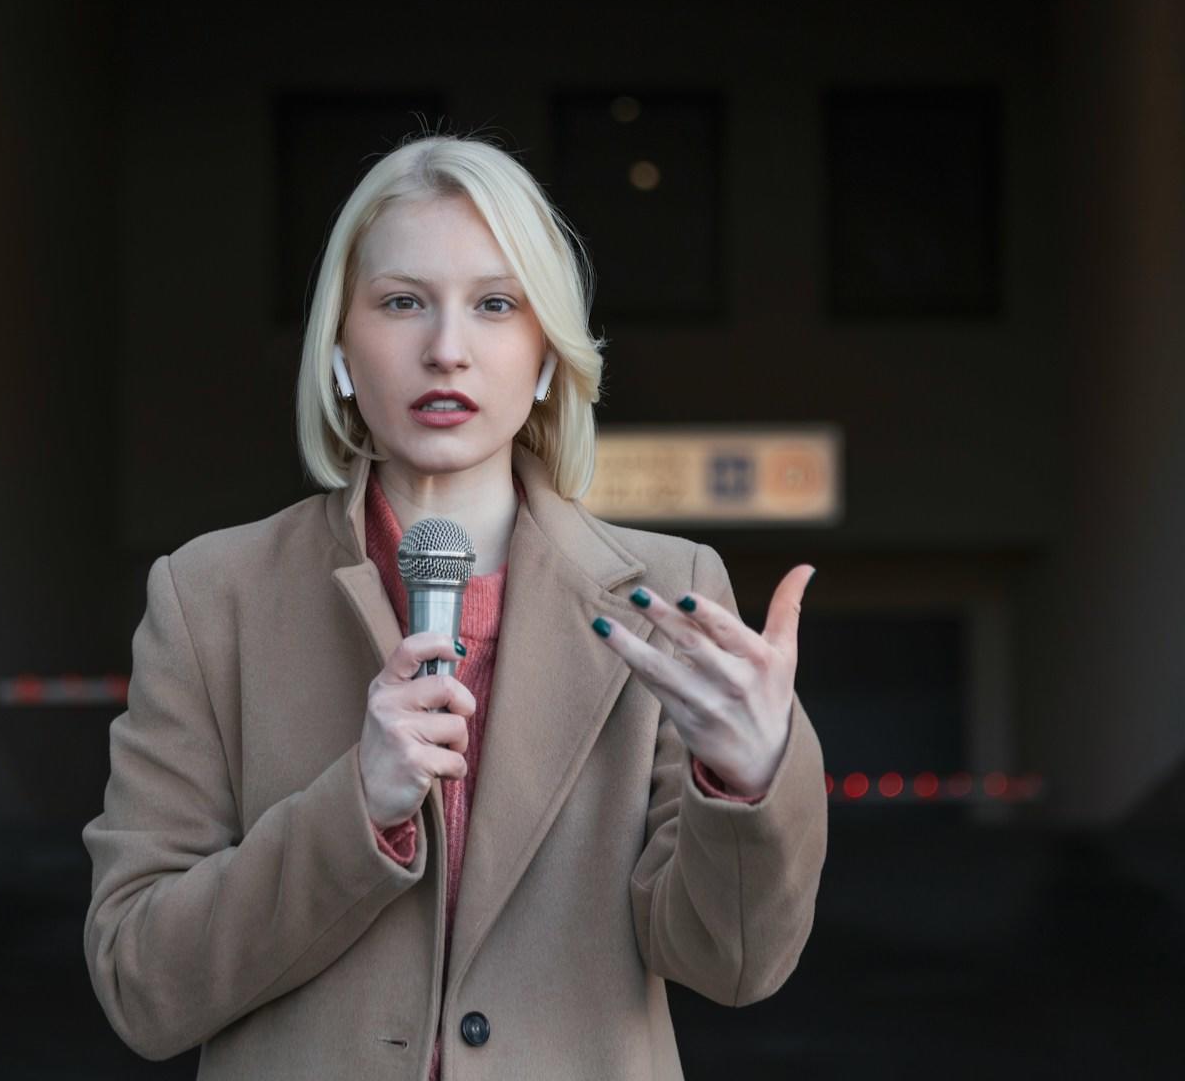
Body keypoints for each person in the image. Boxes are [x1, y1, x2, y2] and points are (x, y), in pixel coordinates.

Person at [83, 133, 827, 1080]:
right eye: (401, 304)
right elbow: (140, 981)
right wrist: (355, 809)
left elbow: (732, 965)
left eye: (495, 305)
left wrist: (751, 785)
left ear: (550, 354)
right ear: (343, 350)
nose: (446, 349)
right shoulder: (209, 597)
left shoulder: (665, 597)